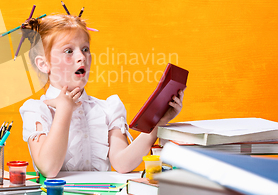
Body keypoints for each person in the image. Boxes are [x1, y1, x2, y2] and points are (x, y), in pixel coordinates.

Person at [19, 14, 185, 178]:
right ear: (43, 64)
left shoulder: (108, 108)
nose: (81, 57)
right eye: (68, 51)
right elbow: (48, 169)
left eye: (85, 49)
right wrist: (64, 109)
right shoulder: (36, 110)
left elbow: (122, 163)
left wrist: (158, 123)